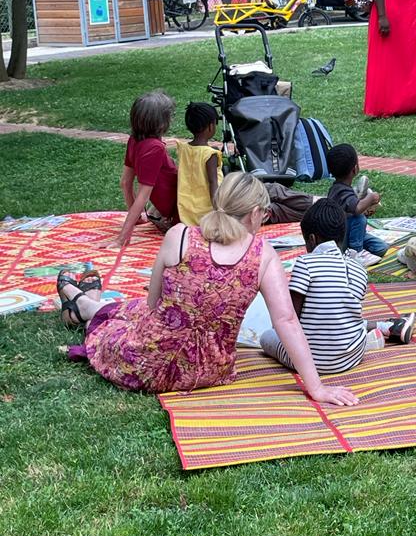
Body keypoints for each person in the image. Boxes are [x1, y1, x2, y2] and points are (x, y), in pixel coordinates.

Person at [59, 173, 358, 405]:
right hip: (206, 372)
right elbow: (287, 322)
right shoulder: (263, 255)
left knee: (130, 311)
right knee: (130, 310)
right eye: (265, 214)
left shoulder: (179, 235)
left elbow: (152, 306)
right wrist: (316, 388)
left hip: (145, 363)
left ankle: (83, 303)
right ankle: (83, 303)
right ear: (255, 213)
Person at [260, 200, 415, 374]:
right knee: (341, 320)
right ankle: (381, 330)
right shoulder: (359, 269)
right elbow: (344, 314)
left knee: (266, 336)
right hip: (351, 358)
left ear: (311, 239)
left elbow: (290, 317)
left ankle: (376, 334)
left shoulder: (305, 263)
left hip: (308, 360)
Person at [115, 90, 178, 247]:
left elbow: (125, 182)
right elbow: (143, 194)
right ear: (162, 123)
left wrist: (137, 219)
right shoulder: (154, 148)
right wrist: (122, 238)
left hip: (162, 211)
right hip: (176, 213)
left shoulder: (134, 140)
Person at [326, 143, 388, 259]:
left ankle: (355, 248)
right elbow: (356, 209)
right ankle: (356, 253)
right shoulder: (341, 191)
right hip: (339, 238)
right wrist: (370, 199)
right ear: (355, 169)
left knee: (381, 247)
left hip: (349, 234)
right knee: (359, 218)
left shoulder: (340, 188)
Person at [176, 102, 223, 226]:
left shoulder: (183, 149)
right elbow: (213, 183)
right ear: (210, 126)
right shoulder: (210, 154)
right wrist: (219, 211)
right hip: (207, 214)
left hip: (187, 213)